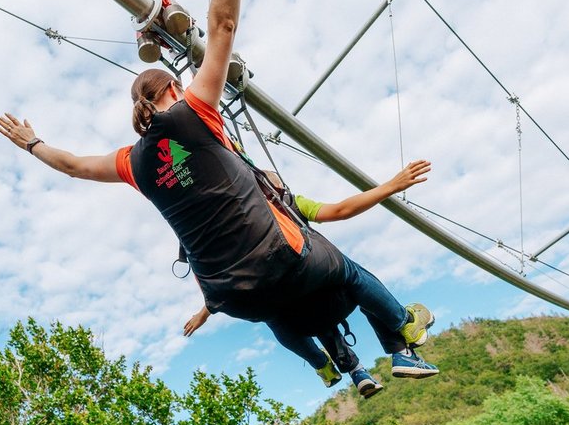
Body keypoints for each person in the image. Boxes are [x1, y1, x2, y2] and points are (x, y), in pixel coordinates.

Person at [0, 0, 439, 391]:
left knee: (295, 306)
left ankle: (338, 363)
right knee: (350, 273)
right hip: (278, 258)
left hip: (234, 298)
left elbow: (73, 166)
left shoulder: (132, 162)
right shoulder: (194, 114)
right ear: (173, 89)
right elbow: (223, 24)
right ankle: (402, 336)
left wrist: (33, 143)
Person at [182, 161, 434, 396]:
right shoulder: (288, 204)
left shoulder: (240, 230)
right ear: (276, 189)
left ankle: (341, 368)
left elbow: (228, 285)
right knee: (351, 276)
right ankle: (403, 330)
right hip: (326, 299)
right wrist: (391, 186)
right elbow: (341, 210)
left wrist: (205, 312)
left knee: (274, 309)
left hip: (298, 325)